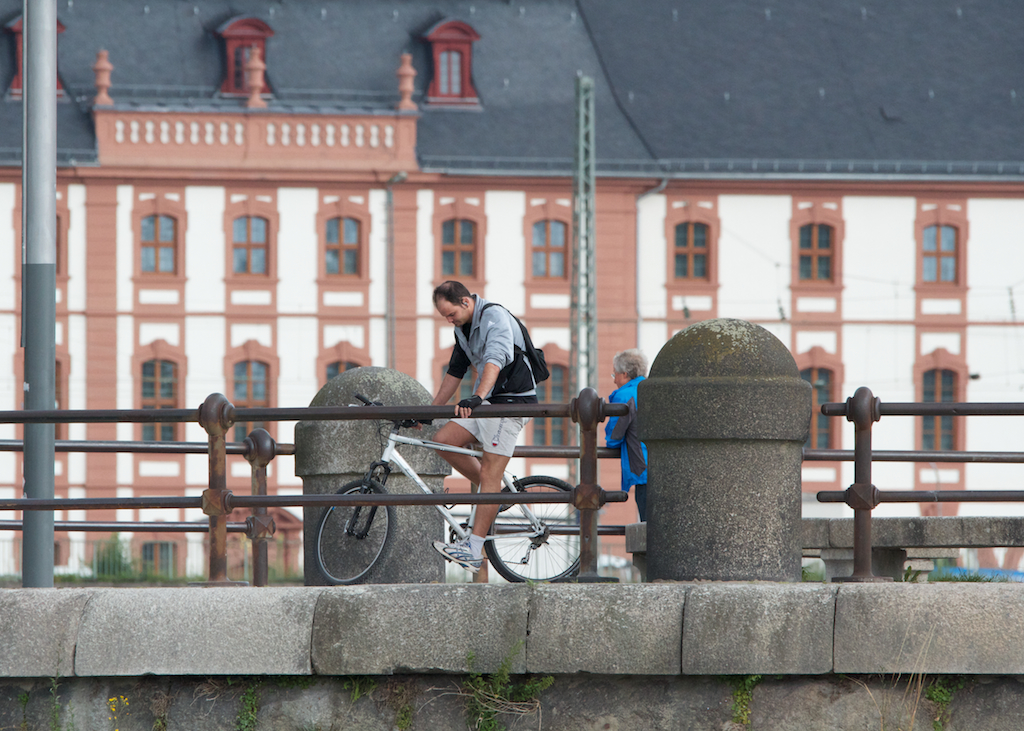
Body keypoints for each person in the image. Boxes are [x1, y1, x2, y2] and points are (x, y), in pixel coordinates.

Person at [428, 280, 539, 572]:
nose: (449, 320)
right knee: (443, 441)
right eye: (445, 317)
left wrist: (477, 396)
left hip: (512, 402)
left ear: (466, 302)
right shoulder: (462, 328)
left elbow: (494, 360)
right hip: (490, 402)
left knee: (490, 472)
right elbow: (455, 370)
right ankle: (494, 494)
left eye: (451, 314)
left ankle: (474, 549)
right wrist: (431, 411)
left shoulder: (494, 317)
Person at [606, 349, 649, 522]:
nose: (614, 380)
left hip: (644, 468)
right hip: (665, 465)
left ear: (625, 374)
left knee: (648, 524)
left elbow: (614, 438)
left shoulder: (625, 396)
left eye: (614, 374)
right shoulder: (652, 389)